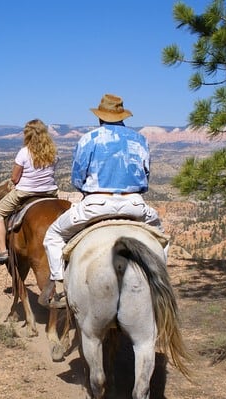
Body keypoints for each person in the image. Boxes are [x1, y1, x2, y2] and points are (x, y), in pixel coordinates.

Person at [42, 93, 163, 308]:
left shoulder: (89, 139)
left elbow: (77, 177)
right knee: (161, 238)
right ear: (123, 116)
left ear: (100, 116)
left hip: (95, 204)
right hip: (133, 204)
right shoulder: (140, 139)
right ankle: (160, 285)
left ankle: (60, 286)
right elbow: (146, 175)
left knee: (53, 235)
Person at [0, 119, 59, 264]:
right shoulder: (53, 152)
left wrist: (14, 182)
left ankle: (2, 251)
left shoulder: (24, 152)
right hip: (50, 192)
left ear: (27, 134)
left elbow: (14, 178)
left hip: (25, 192)